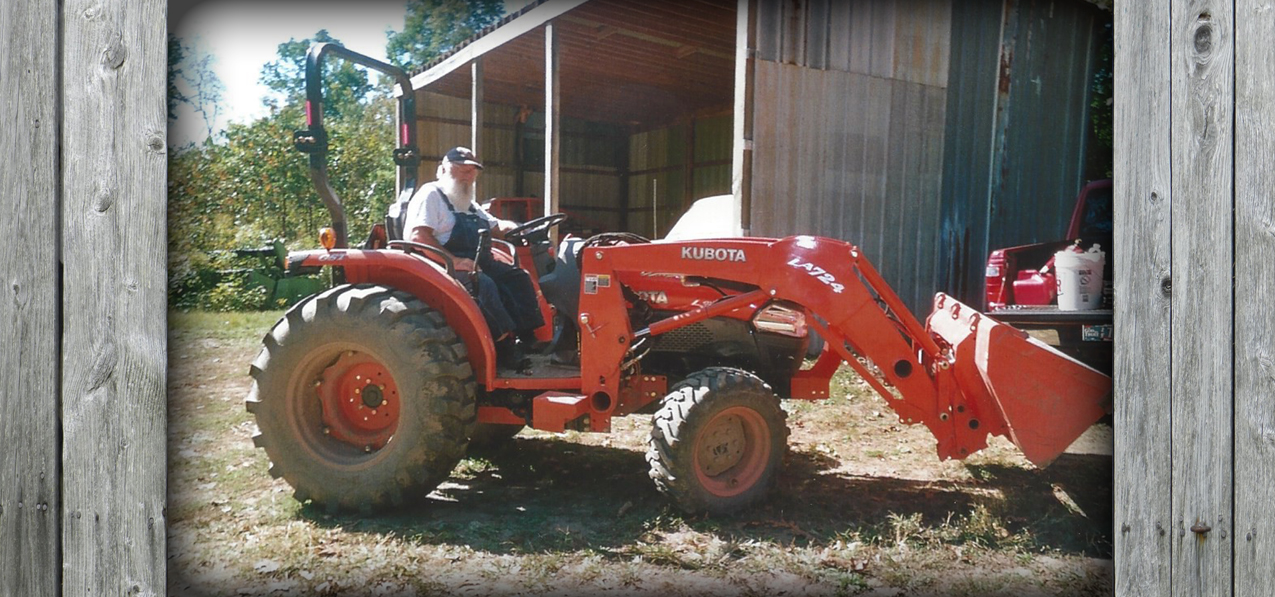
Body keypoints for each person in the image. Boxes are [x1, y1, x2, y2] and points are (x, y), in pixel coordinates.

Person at [393, 147, 544, 369]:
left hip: (475, 259)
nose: (467, 176)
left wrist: (516, 227)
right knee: (483, 284)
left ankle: (527, 337)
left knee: (518, 277)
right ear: (443, 170)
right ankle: (504, 347)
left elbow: (495, 226)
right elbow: (420, 236)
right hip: (439, 262)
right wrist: (452, 260)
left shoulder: (467, 203)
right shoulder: (431, 195)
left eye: (472, 171)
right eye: (461, 170)